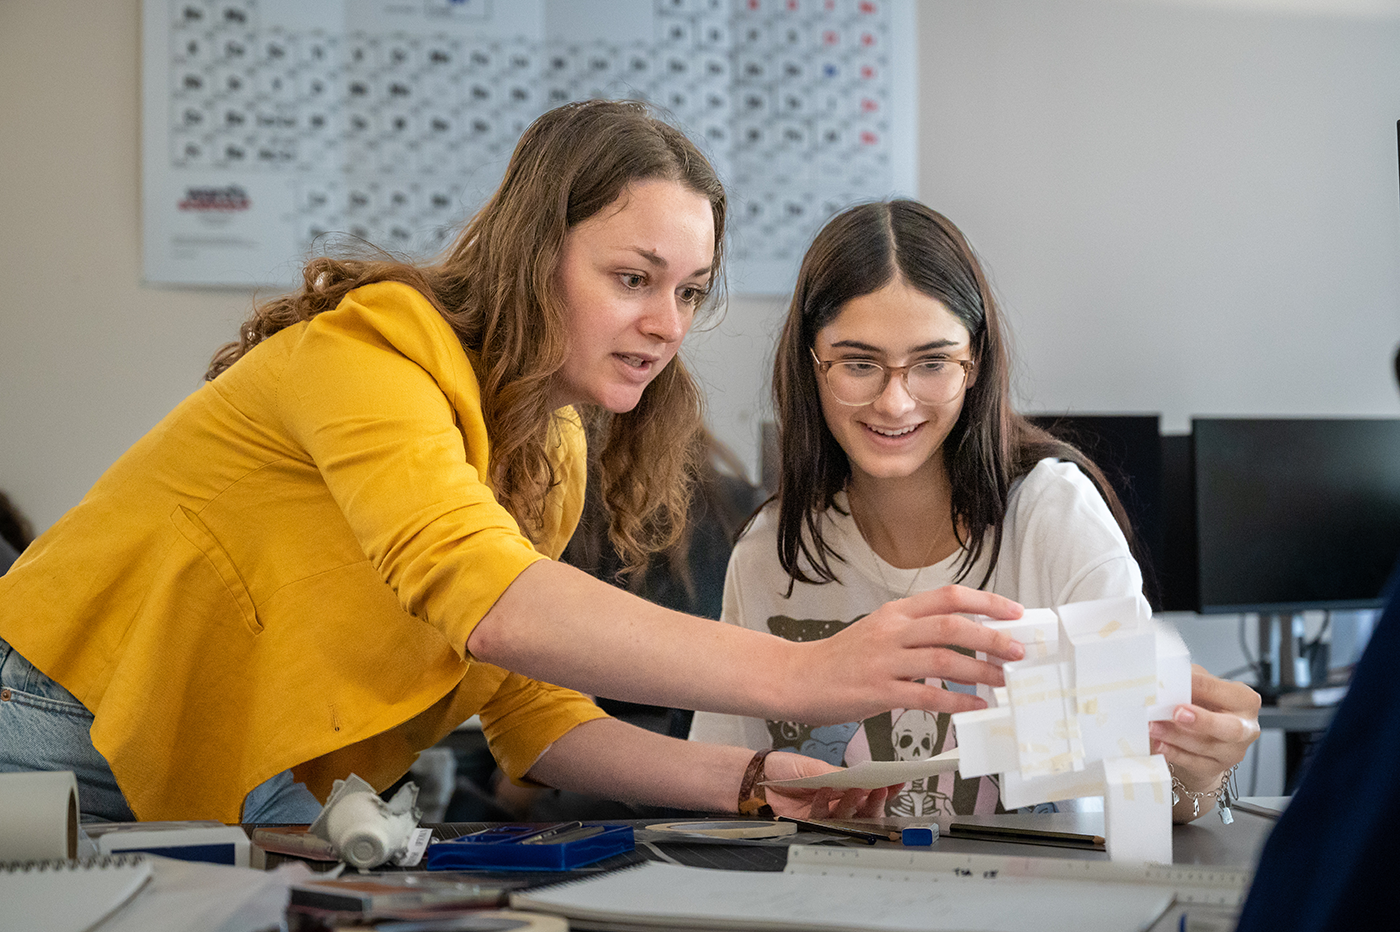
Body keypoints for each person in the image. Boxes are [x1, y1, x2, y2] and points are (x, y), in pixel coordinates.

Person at [0, 102, 1027, 825]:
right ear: (537, 253)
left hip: (245, 767)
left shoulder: (551, 448)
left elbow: (530, 714)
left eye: (688, 291)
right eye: (632, 278)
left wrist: (756, 776)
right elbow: (481, 594)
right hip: (66, 725)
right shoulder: (365, 353)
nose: (664, 324)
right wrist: (806, 669)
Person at [689, 200, 1260, 820]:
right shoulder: (772, 553)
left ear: (975, 361)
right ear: (811, 363)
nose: (895, 401)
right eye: (859, 364)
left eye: (932, 363)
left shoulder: (1052, 515)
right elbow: (729, 791)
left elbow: (1156, 802)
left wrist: (1199, 774)